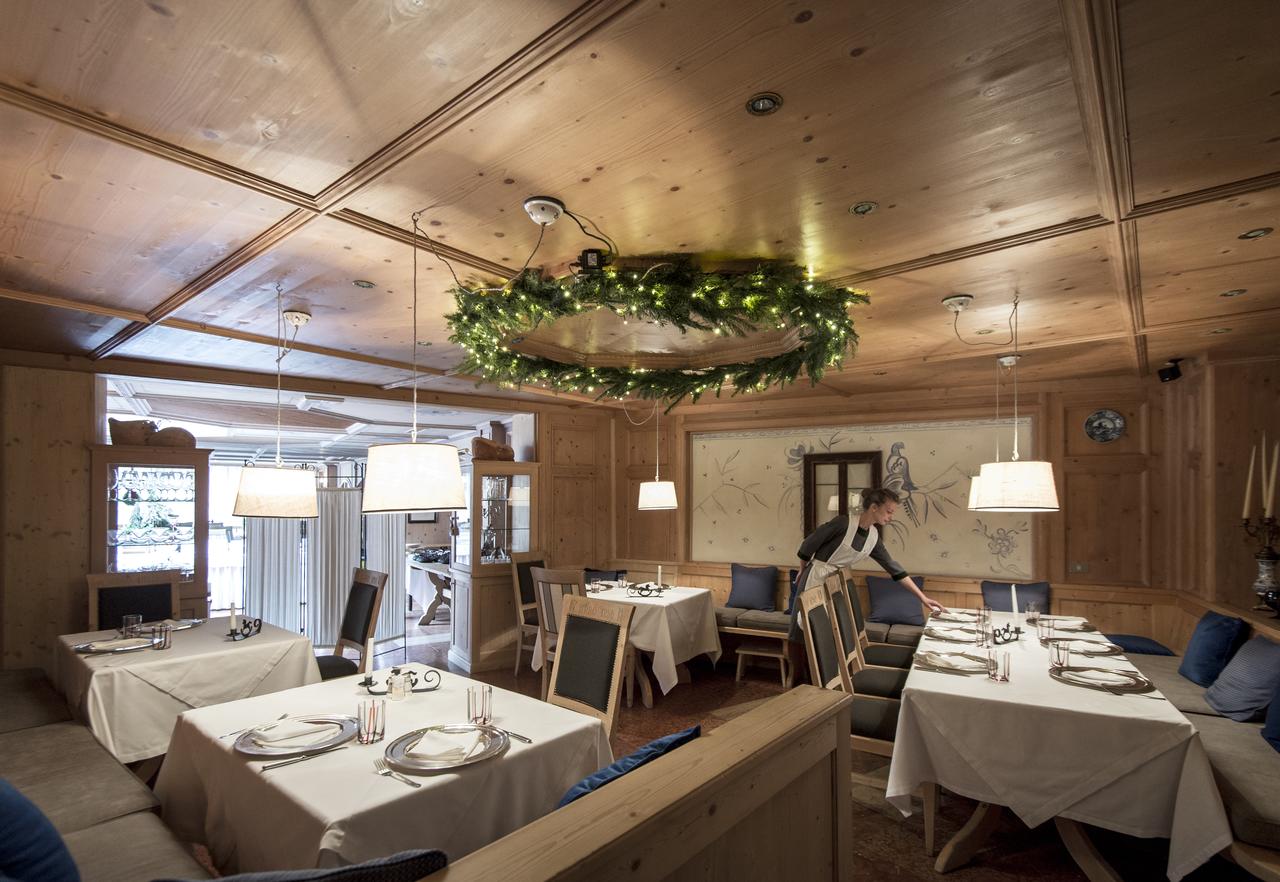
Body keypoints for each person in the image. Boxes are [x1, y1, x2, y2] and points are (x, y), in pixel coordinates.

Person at [795, 487, 945, 616]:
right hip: (814, 579)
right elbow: (809, 543)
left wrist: (922, 598)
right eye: (889, 512)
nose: (891, 518)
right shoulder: (843, 523)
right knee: (805, 626)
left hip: (834, 584)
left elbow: (894, 568)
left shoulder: (873, 537)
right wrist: (802, 569)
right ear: (874, 507)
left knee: (826, 632)